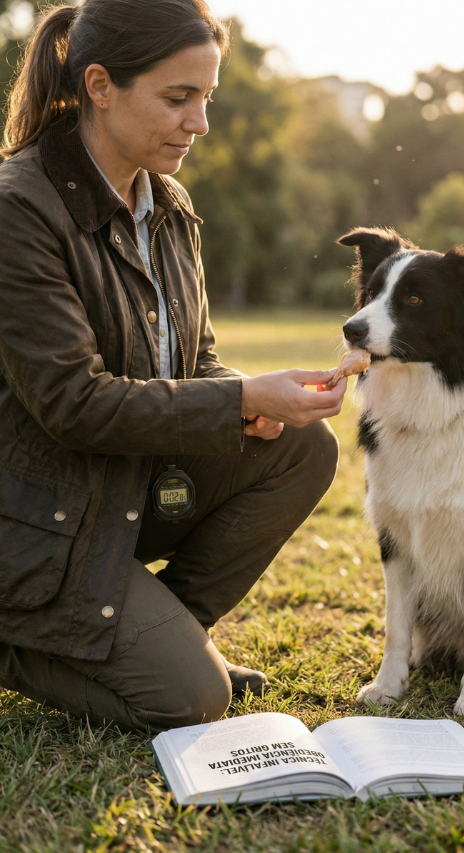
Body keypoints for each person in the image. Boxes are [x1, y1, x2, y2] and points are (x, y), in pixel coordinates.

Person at [0, 0, 346, 732]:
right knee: (190, 701)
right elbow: (75, 403)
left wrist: (252, 396)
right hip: (34, 519)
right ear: (100, 86)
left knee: (303, 446)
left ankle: (171, 636)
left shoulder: (171, 206)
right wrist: (238, 398)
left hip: (120, 491)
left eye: (206, 99)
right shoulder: (17, 210)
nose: (200, 124)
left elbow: (196, 360)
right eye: (177, 98)